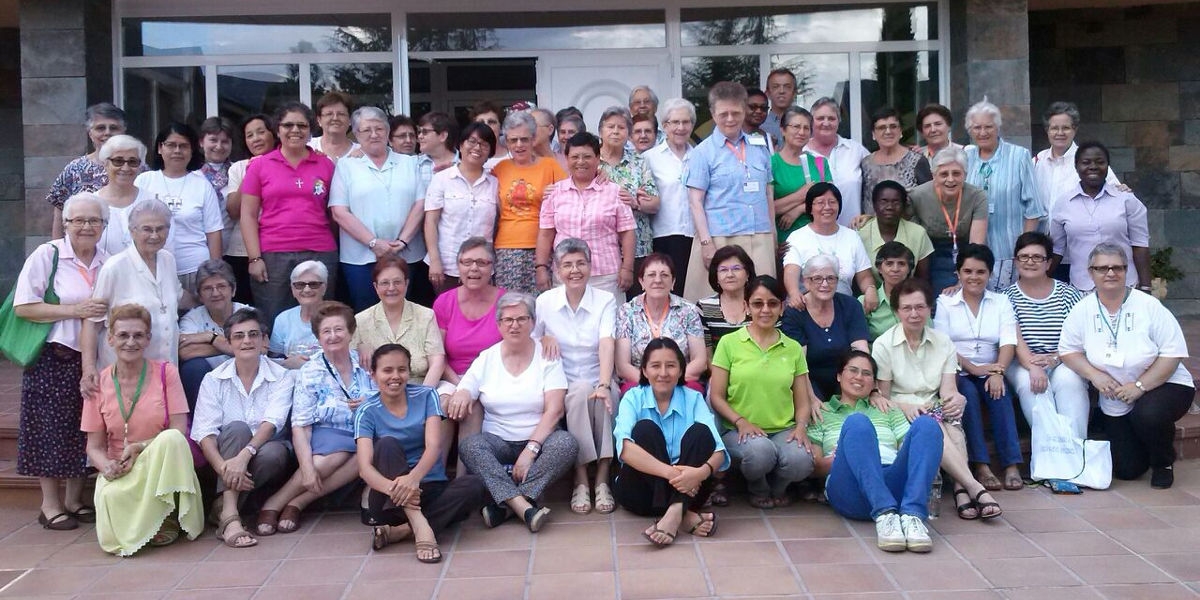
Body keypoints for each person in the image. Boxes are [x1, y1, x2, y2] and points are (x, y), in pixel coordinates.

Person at [1060, 243, 1195, 489]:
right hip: (1116, 395)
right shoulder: (1082, 310)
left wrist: (1140, 386)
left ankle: (1163, 462)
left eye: (1117, 267)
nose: (1110, 273)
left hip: (1163, 384)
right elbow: (1068, 350)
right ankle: (1146, 441)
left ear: (1126, 271)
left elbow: (1172, 353)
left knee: (1149, 415)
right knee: (1127, 470)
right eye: (1102, 268)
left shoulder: (1149, 306)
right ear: (1091, 272)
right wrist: (1094, 375)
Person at [13, 193, 110, 531]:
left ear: (104, 225)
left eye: (94, 220)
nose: (86, 226)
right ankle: (49, 504)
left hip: (92, 357)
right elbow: (24, 306)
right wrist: (74, 310)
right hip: (53, 356)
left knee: (83, 427)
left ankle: (74, 499)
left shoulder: (108, 261)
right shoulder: (48, 255)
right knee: (48, 430)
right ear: (66, 223)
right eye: (78, 220)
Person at [872, 278, 1003, 520]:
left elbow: (948, 390)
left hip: (934, 405)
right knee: (938, 427)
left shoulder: (943, 342)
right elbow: (883, 396)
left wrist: (957, 399)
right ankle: (972, 488)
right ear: (897, 311)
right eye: (907, 308)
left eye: (920, 307)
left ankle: (962, 489)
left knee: (953, 423)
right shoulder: (884, 345)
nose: (914, 314)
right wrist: (906, 406)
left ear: (929, 309)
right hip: (902, 410)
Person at [447, 292, 579, 533]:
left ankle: (506, 506)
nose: (514, 325)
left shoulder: (546, 355)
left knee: (566, 444)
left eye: (521, 319)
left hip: (540, 441)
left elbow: (555, 410)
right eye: (507, 320)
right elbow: (466, 387)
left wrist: (531, 449)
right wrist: (463, 394)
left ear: (532, 322)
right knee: (470, 446)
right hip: (499, 441)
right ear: (498, 324)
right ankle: (523, 506)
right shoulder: (487, 357)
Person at [82, 304, 203, 555]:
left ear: (148, 339)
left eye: (138, 335)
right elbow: (93, 447)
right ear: (110, 339)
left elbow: (179, 430)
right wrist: (107, 466)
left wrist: (140, 447)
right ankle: (145, 523)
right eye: (123, 335)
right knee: (110, 497)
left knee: (172, 439)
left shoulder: (166, 373)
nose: (131, 342)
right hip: (123, 468)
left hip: (161, 462)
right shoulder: (98, 382)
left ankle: (168, 514)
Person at [355, 344, 487, 560]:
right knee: (387, 444)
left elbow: (434, 446)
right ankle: (419, 524)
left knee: (474, 484)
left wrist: (413, 480)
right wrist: (397, 489)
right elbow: (365, 468)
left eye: (401, 369)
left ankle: (400, 531)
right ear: (373, 375)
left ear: (409, 371)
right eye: (387, 370)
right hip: (389, 497)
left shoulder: (426, 395)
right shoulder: (366, 411)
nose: (395, 376)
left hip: (429, 487)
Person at [808, 350, 943, 553]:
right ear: (839, 375)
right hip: (849, 489)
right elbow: (814, 468)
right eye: (853, 370)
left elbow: (911, 451)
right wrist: (842, 456)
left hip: (891, 484)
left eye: (866, 373)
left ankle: (913, 515)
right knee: (857, 423)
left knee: (927, 425)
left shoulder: (887, 409)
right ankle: (884, 513)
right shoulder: (821, 412)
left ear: (874, 383)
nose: (859, 377)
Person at [256, 301, 372, 535]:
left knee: (367, 452)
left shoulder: (366, 363)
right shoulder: (310, 371)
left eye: (339, 329)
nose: (333, 336)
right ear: (318, 337)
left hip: (365, 431)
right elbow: (300, 425)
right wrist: (307, 468)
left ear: (351, 333)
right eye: (326, 331)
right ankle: (277, 502)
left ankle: (296, 502)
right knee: (325, 461)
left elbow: (385, 399)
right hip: (327, 432)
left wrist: (368, 405)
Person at [193, 308, 294, 549]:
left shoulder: (282, 376)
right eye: (239, 336)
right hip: (225, 454)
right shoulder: (213, 379)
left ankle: (223, 508)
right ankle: (230, 514)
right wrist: (225, 468)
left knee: (273, 453)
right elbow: (204, 433)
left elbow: (272, 423)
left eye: (253, 334)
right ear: (228, 343)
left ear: (264, 340)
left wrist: (244, 457)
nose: (247, 341)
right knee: (237, 428)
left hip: (263, 452)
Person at [710, 276, 814, 508]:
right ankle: (758, 488)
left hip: (783, 429)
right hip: (737, 430)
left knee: (802, 460)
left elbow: (802, 401)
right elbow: (716, 396)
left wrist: (800, 427)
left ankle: (778, 488)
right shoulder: (729, 343)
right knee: (760, 453)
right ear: (746, 306)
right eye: (758, 303)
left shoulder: (793, 348)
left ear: (782, 307)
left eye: (772, 303)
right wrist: (741, 422)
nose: (765, 310)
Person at [532, 239, 619, 515]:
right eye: (567, 265)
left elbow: (607, 342)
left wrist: (604, 384)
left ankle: (602, 476)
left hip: (600, 374)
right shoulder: (545, 302)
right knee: (580, 392)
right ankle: (581, 476)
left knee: (600, 396)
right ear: (557, 270)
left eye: (581, 263)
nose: (575, 270)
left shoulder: (605, 300)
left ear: (591, 266)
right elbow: (529, 341)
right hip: (562, 382)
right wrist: (543, 338)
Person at [613, 337, 725, 547]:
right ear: (644, 370)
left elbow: (719, 451)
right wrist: (673, 475)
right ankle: (683, 514)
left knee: (701, 433)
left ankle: (673, 514)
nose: (663, 373)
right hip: (641, 493)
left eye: (671, 366)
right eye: (655, 366)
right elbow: (625, 449)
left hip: (691, 486)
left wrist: (699, 474)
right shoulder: (633, 397)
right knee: (644, 430)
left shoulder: (693, 398)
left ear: (681, 370)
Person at [933, 244, 1023, 491]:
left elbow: (1008, 341)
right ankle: (981, 464)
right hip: (956, 370)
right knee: (968, 395)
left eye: (981, 272)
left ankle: (1011, 464)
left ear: (990, 273)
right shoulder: (945, 302)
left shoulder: (1001, 302)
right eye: (968, 271)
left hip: (992, 368)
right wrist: (972, 368)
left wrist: (998, 372)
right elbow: (943, 344)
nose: (974, 277)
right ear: (958, 273)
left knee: (1000, 393)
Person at [240, 101, 338, 323]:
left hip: (320, 251)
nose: (295, 130)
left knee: (320, 320)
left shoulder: (325, 165)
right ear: (277, 129)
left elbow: (333, 213)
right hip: (273, 255)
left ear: (311, 130)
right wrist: (254, 258)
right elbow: (248, 215)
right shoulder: (260, 166)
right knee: (274, 319)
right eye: (288, 125)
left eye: (302, 125)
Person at [81, 198, 184, 397]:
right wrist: (88, 368)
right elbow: (92, 323)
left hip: (166, 371)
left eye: (161, 229)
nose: (154, 235)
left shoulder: (168, 261)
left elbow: (177, 298)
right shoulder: (114, 267)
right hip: (124, 375)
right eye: (147, 229)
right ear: (132, 230)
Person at [684, 81, 776, 301]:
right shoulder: (702, 152)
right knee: (716, 305)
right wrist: (706, 244)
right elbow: (695, 202)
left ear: (744, 111)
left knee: (762, 301)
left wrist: (772, 233)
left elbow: (768, 193)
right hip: (720, 238)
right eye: (723, 114)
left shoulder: (760, 147)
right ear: (713, 114)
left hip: (759, 235)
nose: (730, 119)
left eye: (736, 113)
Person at [330, 106, 427, 312]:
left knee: (404, 311)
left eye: (379, 129)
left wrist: (402, 242)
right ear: (356, 134)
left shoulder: (409, 163)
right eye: (366, 130)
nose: (374, 134)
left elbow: (420, 204)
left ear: (388, 131)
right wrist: (373, 243)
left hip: (406, 253)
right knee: (366, 314)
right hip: (360, 258)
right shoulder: (346, 166)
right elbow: (339, 211)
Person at [1004, 232, 1087, 440]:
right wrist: (1033, 365)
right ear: (1016, 261)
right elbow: (1014, 339)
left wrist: (1055, 358)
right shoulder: (1006, 298)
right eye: (1024, 256)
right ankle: (1049, 450)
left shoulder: (1068, 294)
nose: (1030, 262)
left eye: (1037, 257)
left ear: (1048, 263)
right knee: (1030, 384)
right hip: (1022, 362)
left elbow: (1079, 336)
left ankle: (1076, 448)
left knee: (1070, 382)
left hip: (1063, 358)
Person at [536, 131, 636, 296]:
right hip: (565, 272)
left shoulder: (615, 192)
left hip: (605, 275)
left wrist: (627, 268)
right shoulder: (554, 193)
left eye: (587, 157)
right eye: (575, 157)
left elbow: (627, 233)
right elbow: (546, 234)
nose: (581, 162)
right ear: (566, 158)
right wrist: (541, 267)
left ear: (597, 158)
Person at [135, 122, 223, 304]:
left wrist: (214, 272)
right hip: (153, 267)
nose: (177, 151)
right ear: (160, 148)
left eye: (183, 146)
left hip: (195, 269)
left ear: (192, 150)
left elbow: (214, 232)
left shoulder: (202, 184)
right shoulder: (144, 181)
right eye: (171, 145)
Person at [1050, 141, 1151, 293]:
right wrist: (1040, 280)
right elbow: (1057, 249)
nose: (1093, 166)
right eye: (1086, 162)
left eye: (1100, 162)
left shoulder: (1127, 200)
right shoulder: (1063, 204)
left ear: (1107, 166)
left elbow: (1140, 245)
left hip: (1124, 286)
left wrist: (1146, 287)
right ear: (1076, 167)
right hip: (1081, 288)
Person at [964, 98, 1044, 289]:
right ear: (970, 130)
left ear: (998, 127)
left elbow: (1034, 208)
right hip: (976, 253)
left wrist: (1024, 251)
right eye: (977, 127)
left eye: (988, 126)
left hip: (1010, 251)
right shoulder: (966, 158)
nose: (983, 132)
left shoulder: (1019, 156)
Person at [491, 111, 568, 294]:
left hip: (544, 247)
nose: (519, 145)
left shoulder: (550, 166)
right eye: (513, 140)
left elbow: (569, 194)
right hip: (507, 247)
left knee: (543, 302)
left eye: (524, 139)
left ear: (533, 139)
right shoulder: (499, 169)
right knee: (511, 303)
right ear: (506, 142)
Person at [615, 254, 707, 394]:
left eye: (664, 275)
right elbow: (622, 366)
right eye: (651, 275)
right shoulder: (627, 312)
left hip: (681, 382)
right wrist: (653, 383)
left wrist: (670, 382)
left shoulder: (688, 310)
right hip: (640, 383)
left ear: (673, 282)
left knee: (692, 391)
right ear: (641, 281)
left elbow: (700, 361)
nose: (658, 280)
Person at [782, 255, 870, 401]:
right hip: (809, 381)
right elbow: (799, 364)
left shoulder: (851, 305)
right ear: (806, 282)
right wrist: (811, 398)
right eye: (817, 278)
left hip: (847, 378)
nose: (825, 284)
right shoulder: (795, 313)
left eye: (831, 278)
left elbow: (861, 352)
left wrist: (869, 389)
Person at [424, 123, 497, 294]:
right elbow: (430, 222)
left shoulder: (495, 183)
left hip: (482, 267)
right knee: (447, 308)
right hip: (447, 265)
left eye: (484, 144)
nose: (477, 147)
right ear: (461, 145)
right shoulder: (441, 179)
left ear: (490, 152)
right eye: (472, 141)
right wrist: (435, 260)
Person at [781, 183, 876, 312]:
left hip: (843, 308)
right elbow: (791, 271)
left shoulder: (852, 237)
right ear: (810, 208)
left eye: (832, 202)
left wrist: (870, 289)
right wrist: (793, 293)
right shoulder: (797, 237)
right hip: (805, 307)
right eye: (820, 203)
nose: (827, 207)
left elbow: (864, 276)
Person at [353, 256, 446, 388]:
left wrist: (422, 394)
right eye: (385, 283)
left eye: (397, 282)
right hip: (377, 393)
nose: (391, 288)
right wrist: (359, 347)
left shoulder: (425, 315)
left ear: (406, 284)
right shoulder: (360, 320)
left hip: (420, 388)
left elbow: (437, 362)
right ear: (376, 287)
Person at [908, 147, 988, 293]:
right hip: (928, 259)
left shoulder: (977, 196)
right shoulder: (916, 196)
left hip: (965, 257)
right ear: (934, 175)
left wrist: (962, 283)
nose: (950, 179)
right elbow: (913, 242)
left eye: (956, 173)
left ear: (965, 175)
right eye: (944, 174)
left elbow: (976, 246)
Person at [598, 106, 660, 294]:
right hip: (602, 248)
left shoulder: (639, 162)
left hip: (639, 247)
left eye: (621, 127)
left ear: (628, 133)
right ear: (600, 131)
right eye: (610, 127)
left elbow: (655, 203)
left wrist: (635, 203)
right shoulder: (591, 162)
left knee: (637, 301)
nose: (616, 131)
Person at [433, 238, 505, 394]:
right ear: (458, 267)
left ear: (492, 268)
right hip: (454, 379)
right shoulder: (444, 302)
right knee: (446, 403)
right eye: (467, 262)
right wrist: (463, 387)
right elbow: (437, 356)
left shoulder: (506, 302)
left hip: (495, 380)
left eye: (481, 263)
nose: (474, 268)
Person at [47, 103, 127, 239]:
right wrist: (58, 248)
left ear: (123, 131)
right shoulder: (74, 169)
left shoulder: (137, 168)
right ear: (90, 133)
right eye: (100, 128)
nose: (107, 132)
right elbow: (59, 211)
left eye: (113, 128)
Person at [222, 113, 278, 305]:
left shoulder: (285, 164)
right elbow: (233, 211)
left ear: (274, 134)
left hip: (276, 249)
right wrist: (250, 174)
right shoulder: (238, 168)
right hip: (241, 252)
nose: (256, 139)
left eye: (261, 132)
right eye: (250, 135)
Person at [178, 259, 249, 407]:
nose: (215, 293)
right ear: (200, 295)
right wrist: (236, 346)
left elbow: (260, 348)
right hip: (209, 381)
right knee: (193, 367)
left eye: (221, 286)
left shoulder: (248, 314)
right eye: (208, 288)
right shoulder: (192, 318)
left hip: (245, 377)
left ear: (233, 290)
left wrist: (210, 337)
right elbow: (185, 351)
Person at [644, 98, 696, 296]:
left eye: (686, 122)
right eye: (675, 122)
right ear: (665, 126)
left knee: (692, 293)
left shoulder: (700, 156)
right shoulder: (650, 158)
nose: (680, 128)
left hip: (695, 236)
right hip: (664, 236)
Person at [804, 97, 870, 226]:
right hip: (814, 232)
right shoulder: (802, 153)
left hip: (853, 230)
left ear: (839, 121)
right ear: (811, 122)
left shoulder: (855, 150)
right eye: (820, 118)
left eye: (831, 118)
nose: (826, 123)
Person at [772, 106, 831, 244]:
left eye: (806, 128)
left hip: (819, 239)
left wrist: (799, 209)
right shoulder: (771, 164)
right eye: (796, 127)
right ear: (783, 130)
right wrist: (801, 195)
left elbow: (831, 201)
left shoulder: (819, 163)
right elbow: (766, 209)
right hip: (784, 241)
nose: (801, 132)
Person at [857, 181, 933, 282]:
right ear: (874, 205)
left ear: (904, 205)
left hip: (908, 290)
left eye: (896, 202)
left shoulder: (918, 233)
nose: (890, 207)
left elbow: (922, 278)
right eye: (884, 202)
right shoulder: (860, 235)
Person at [860, 107, 932, 211]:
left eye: (893, 126)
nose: (888, 131)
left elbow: (928, 200)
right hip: (872, 221)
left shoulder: (917, 161)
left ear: (901, 131)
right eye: (881, 128)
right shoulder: (865, 164)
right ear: (873, 134)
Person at [95, 135, 152, 256]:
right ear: (105, 163)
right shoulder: (91, 205)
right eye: (118, 161)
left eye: (133, 162)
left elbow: (166, 249)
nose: (125, 168)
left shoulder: (153, 203)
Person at [269, 261, 329, 369]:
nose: (307, 290)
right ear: (292, 289)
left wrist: (308, 365)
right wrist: (287, 363)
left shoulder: (338, 318)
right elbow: (273, 360)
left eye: (313, 284)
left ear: (324, 288)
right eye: (300, 285)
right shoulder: (283, 319)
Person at [697, 245, 755, 352]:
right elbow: (707, 354)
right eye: (723, 270)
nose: (730, 275)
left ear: (747, 274)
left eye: (736, 269)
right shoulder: (704, 307)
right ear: (716, 276)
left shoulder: (759, 304)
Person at [862, 242, 915, 342]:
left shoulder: (919, 300)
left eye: (901, 264)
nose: (895, 269)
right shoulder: (864, 301)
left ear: (909, 269)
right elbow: (859, 340)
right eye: (889, 264)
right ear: (879, 268)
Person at [308, 92, 358, 163]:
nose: (335, 118)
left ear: (350, 120)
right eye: (329, 114)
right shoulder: (307, 148)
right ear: (319, 120)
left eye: (341, 114)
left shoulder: (363, 152)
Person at [762, 67, 798, 147]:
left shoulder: (806, 126)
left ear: (794, 93)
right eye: (775, 86)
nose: (781, 91)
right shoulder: (759, 125)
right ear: (767, 93)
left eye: (787, 87)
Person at [743, 88, 775, 153]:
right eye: (753, 107)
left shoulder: (769, 139)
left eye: (763, 108)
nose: (759, 111)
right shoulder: (732, 137)